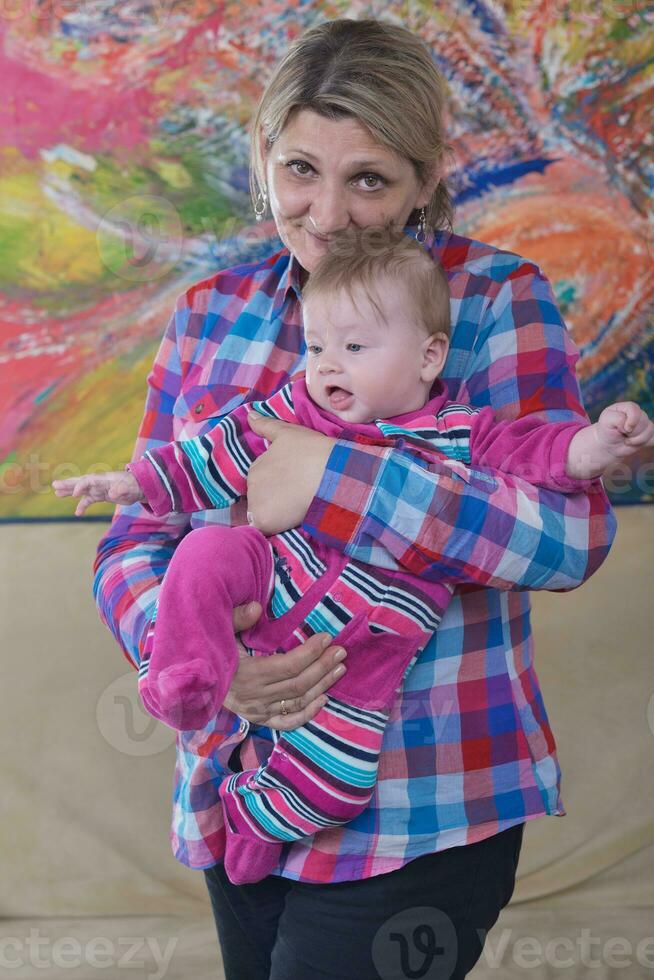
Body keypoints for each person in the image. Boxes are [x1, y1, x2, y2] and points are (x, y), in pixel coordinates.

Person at [87, 17, 625, 980]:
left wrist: (334, 481)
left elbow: (568, 537)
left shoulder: (495, 301)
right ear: (263, 159)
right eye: (300, 169)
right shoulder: (209, 317)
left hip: (431, 794)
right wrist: (193, 652)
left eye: (369, 179)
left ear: (426, 180)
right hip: (237, 776)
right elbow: (136, 541)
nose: (327, 214)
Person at [53, 229, 653, 890]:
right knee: (206, 550)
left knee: (338, 779)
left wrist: (594, 448)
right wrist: (137, 482)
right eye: (316, 348)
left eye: (354, 348)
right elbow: (210, 458)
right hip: (271, 580)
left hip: (366, 645)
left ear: (429, 358)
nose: (327, 366)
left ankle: (256, 816)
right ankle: (184, 673)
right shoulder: (291, 402)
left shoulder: (459, 430)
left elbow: (539, 461)